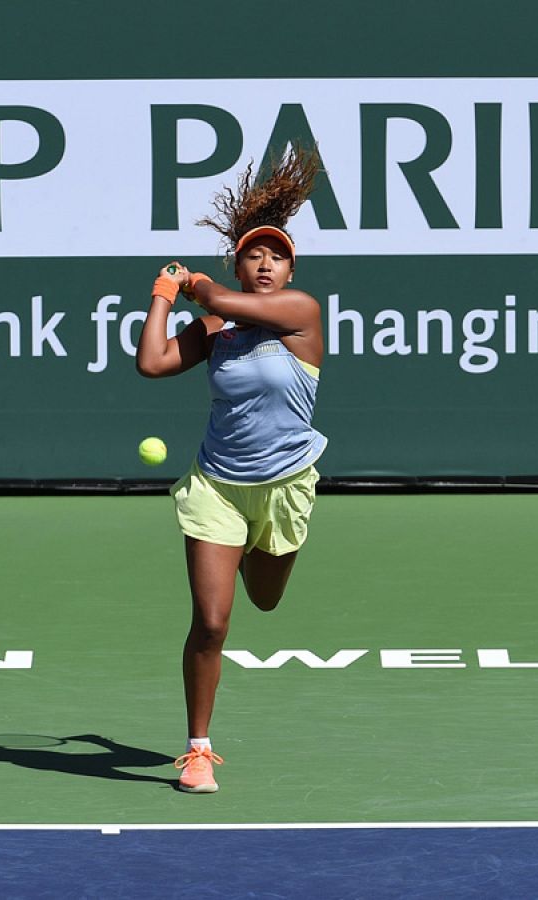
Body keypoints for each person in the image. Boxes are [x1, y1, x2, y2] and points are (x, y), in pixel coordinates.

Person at [135, 146, 327, 793]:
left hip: (285, 486)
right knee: (212, 623)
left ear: (290, 269)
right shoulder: (216, 326)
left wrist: (199, 285)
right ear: (239, 264)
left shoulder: (301, 314)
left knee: (265, 599)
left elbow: (215, 294)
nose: (265, 263)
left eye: (276, 256)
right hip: (216, 485)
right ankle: (197, 750)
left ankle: (247, 550)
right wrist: (164, 296)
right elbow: (153, 363)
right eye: (253, 255)